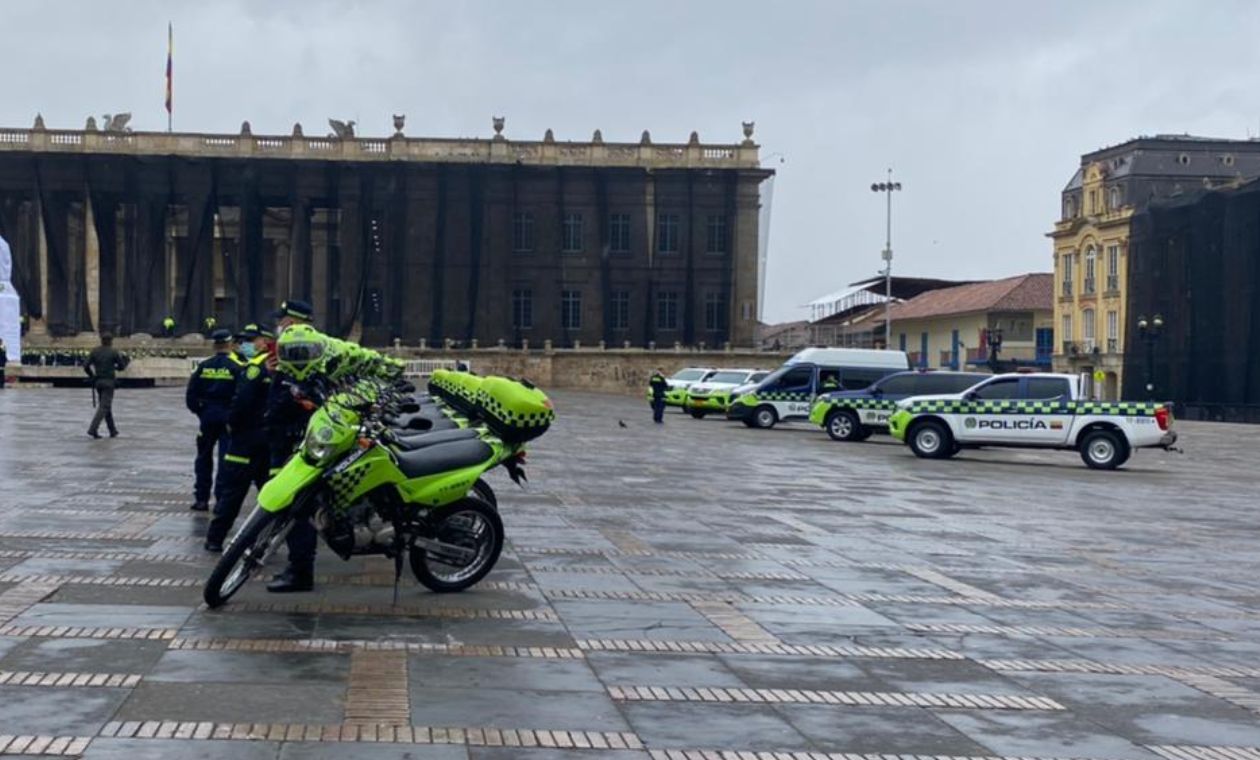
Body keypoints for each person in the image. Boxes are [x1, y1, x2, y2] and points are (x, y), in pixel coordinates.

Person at [264, 305, 402, 592]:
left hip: (304, 443)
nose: (282, 325)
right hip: (291, 440)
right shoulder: (293, 359)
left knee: (298, 509)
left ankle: (301, 570)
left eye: (285, 321)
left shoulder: (316, 358)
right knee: (295, 508)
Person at [204, 325, 273, 552]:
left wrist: (232, 424)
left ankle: (215, 539)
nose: (246, 344)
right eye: (244, 340)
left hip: (245, 442)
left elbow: (241, 402)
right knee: (269, 496)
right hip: (267, 441)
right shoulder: (274, 366)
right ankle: (266, 540)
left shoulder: (255, 368)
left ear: (264, 341)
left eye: (252, 340)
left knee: (232, 493)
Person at [185, 329, 242, 511]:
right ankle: (221, 499)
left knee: (203, 458)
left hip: (207, 416)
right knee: (226, 459)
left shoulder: (204, 366)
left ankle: (201, 498)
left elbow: (191, 394)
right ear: (230, 344)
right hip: (228, 417)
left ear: (214, 345)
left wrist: (200, 411)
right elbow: (242, 395)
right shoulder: (237, 367)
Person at [85, 333, 130, 438]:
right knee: (104, 407)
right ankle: (93, 429)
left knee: (106, 406)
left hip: (98, 382)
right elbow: (122, 367)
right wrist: (120, 365)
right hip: (109, 383)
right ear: (111, 341)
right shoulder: (113, 352)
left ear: (101, 340)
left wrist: (92, 375)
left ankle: (112, 430)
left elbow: (86, 366)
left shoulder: (95, 351)